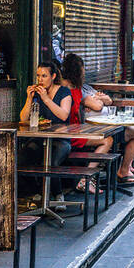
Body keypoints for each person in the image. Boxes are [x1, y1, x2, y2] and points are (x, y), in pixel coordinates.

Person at [19, 61, 72, 206]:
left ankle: (58, 194)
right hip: (40, 139)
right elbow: (23, 118)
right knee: (21, 158)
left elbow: (63, 115)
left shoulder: (64, 92)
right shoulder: (36, 93)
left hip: (62, 139)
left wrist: (46, 99)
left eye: (44, 76)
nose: (40, 80)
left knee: (50, 162)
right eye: (38, 76)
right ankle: (37, 192)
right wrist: (29, 98)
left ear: (53, 76)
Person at [60, 53, 112, 194]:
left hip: (71, 132)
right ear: (79, 70)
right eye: (83, 68)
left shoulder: (64, 87)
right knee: (107, 140)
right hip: (71, 134)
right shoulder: (72, 89)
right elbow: (77, 114)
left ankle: (87, 178)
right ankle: (86, 179)